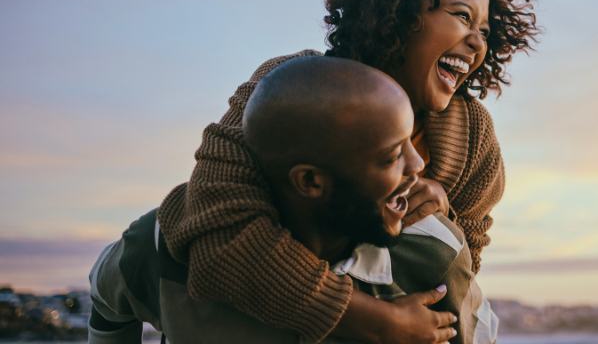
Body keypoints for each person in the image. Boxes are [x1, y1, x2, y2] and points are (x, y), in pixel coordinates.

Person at [156, 0, 537, 344]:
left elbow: (460, 273)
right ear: (399, 12)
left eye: (486, 31)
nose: (477, 42)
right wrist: (372, 321)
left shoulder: (473, 139)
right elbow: (220, 235)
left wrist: (442, 214)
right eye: (461, 16)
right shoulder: (291, 88)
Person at [88, 57, 498, 344]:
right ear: (310, 181)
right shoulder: (166, 244)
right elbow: (106, 299)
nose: (417, 165)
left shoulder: (435, 253)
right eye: (392, 156)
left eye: (411, 141)